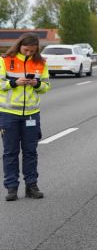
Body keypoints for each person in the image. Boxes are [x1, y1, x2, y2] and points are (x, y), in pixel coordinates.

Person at [2, 33, 50, 201]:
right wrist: (13, 83)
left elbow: (46, 87)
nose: (29, 53)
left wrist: (37, 84)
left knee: (30, 152)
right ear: (19, 45)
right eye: (26, 50)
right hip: (8, 115)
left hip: (31, 114)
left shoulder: (41, 63)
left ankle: (31, 186)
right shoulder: (5, 60)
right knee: (10, 152)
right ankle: (11, 188)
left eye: (32, 51)